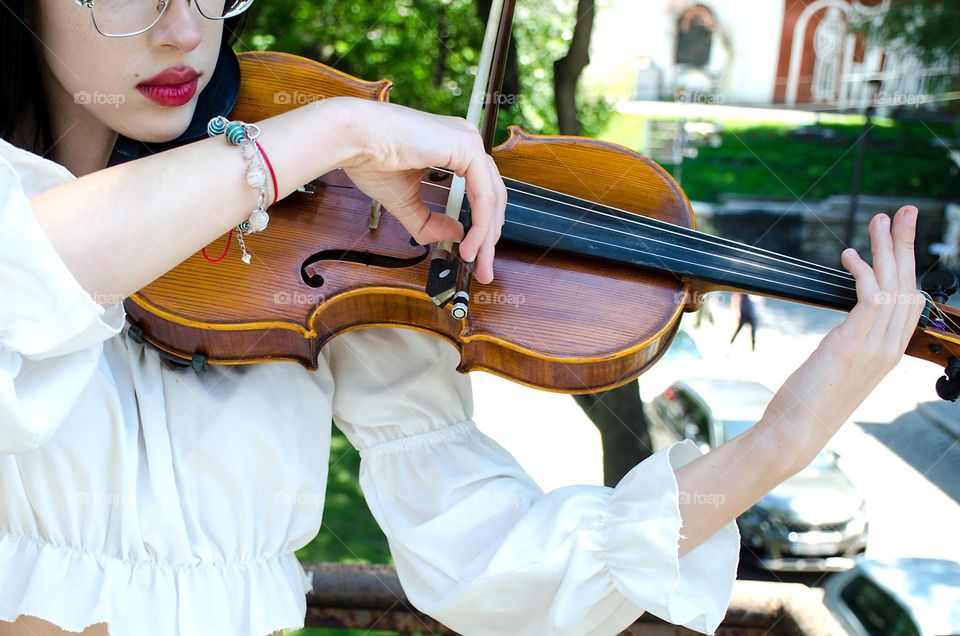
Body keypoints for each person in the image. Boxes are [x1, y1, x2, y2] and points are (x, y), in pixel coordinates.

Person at [0, 1, 926, 635]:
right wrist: (329, 132)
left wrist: (781, 440)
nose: (182, 28)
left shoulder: (310, 250)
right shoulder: (299, 154)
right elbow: (31, 279)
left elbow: (492, 561)